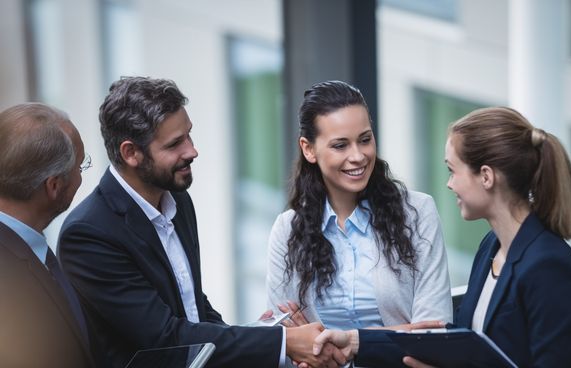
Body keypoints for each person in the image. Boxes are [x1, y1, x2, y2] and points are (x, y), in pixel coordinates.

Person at [57, 76, 345, 368]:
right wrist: (284, 344)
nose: (192, 151)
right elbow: (165, 338)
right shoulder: (89, 234)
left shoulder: (176, 199)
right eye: (174, 144)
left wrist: (261, 336)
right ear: (131, 153)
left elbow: (194, 309)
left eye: (189, 135)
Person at [311, 106, 571, 368]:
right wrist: (355, 342)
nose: (449, 183)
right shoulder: (492, 246)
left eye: (452, 170)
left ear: (487, 177)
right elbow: (461, 343)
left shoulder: (549, 264)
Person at [266, 80, 452, 334]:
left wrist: (343, 343)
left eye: (364, 139)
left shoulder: (418, 213)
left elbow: (432, 332)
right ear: (308, 149)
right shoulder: (287, 230)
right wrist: (402, 331)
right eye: (340, 145)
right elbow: (285, 337)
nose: (358, 156)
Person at [0, 103, 94, 368]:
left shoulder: (26, 249)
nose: (81, 175)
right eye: (81, 165)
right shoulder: (8, 280)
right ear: (54, 185)